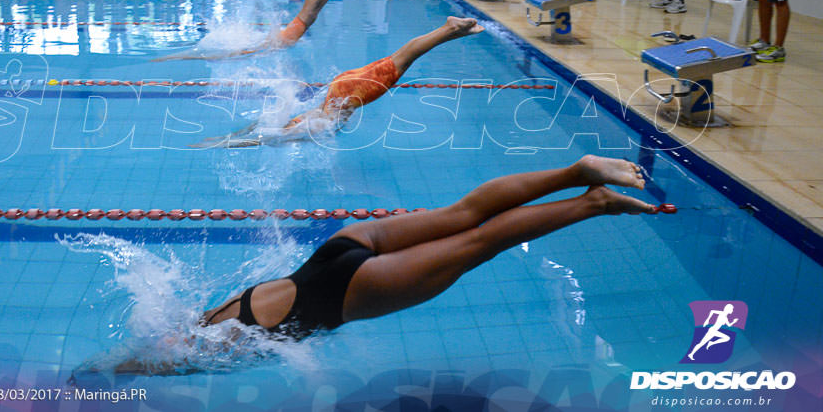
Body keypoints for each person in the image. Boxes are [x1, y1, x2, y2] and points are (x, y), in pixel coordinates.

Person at [102, 153, 660, 377]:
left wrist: (120, 376)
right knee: (463, 212)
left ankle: (592, 202)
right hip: (336, 252)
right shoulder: (207, 316)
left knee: (480, 243)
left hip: (349, 292)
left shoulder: (213, 352)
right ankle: (575, 172)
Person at [194, 16, 484, 148]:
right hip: (343, 85)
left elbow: (261, 137)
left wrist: (223, 143)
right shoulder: (306, 119)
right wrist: (227, 139)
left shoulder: (304, 127)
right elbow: (259, 131)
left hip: (350, 89)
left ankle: (449, 29)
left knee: (402, 61)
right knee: (399, 58)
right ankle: (452, 32)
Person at [153, 0, 357, 63]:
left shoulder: (251, 49)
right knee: (311, 16)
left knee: (307, 14)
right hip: (285, 37)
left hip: (286, 37)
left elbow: (223, 55)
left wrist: (180, 58)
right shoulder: (255, 46)